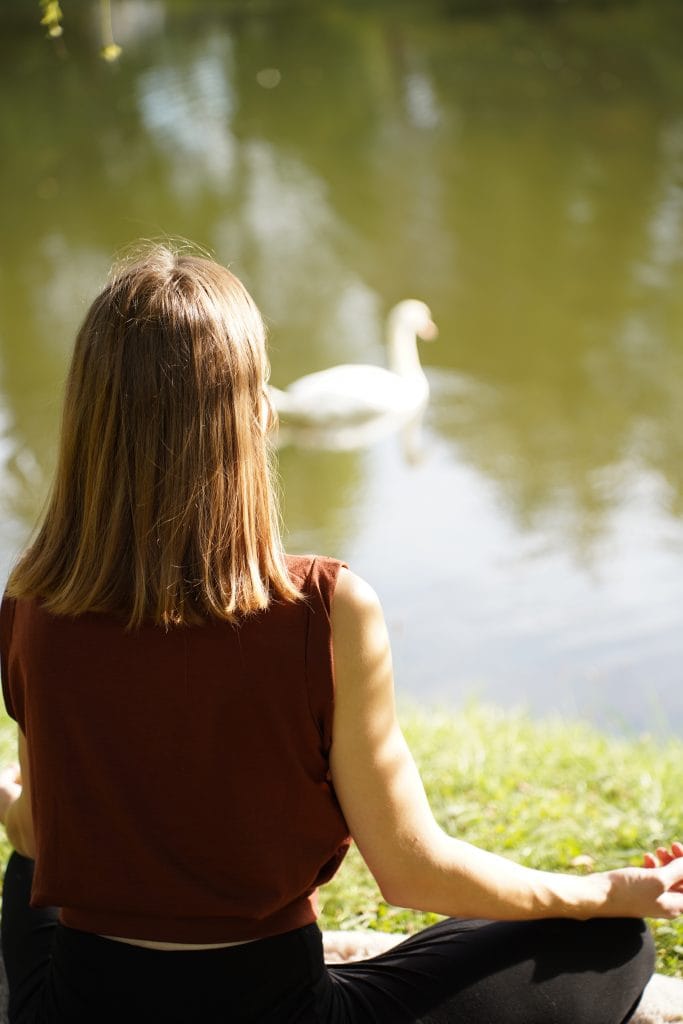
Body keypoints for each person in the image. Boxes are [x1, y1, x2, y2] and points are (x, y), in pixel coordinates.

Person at [0, 242, 680, 1024]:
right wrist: (600, 893)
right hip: (276, 1011)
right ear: (252, 410)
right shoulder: (324, 607)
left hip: (74, 1007)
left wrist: (10, 800)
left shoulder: (34, 601)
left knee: (29, 874)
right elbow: (412, 870)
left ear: (86, 414)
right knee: (610, 942)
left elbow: (40, 835)